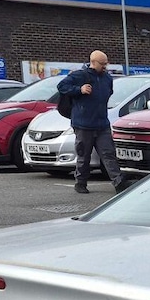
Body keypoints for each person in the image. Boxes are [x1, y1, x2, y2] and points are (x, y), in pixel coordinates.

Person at [56, 50, 126, 194]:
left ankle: (119, 182)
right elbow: (61, 86)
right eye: (102, 64)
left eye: (106, 63)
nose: (105, 67)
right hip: (83, 125)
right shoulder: (80, 75)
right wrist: (79, 89)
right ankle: (80, 182)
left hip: (102, 124)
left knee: (108, 154)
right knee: (83, 155)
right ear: (93, 62)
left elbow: (109, 92)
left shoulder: (107, 78)